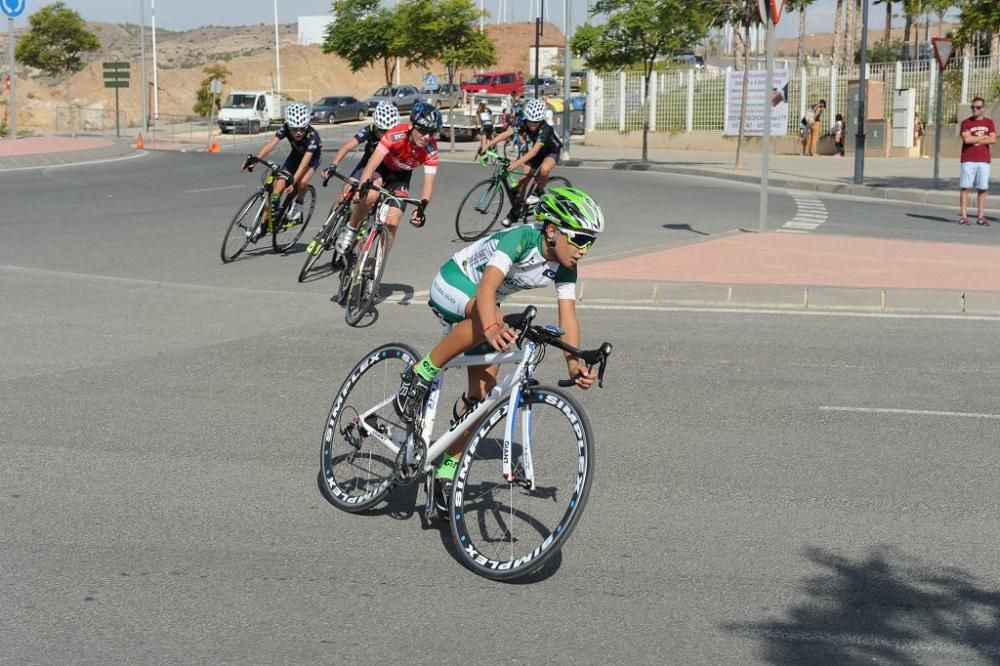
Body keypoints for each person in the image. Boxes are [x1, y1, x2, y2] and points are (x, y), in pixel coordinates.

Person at [393, 187, 605, 501]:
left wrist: (574, 365)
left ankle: (447, 467)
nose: (584, 249)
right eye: (579, 239)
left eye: (591, 241)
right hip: (455, 282)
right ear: (551, 230)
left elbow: (568, 318)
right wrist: (492, 326)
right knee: (492, 320)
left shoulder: (566, 267)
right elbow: (488, 286)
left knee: (482, 396)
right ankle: (420, 372)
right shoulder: (520, 239)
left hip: (485, 305)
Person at [333, 101, 441, 256]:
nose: (427, 137)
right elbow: (371, 164)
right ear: (411, 125)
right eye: (423, 131)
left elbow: (428, 184)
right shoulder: (395, 135)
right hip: (381, 169)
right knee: (371, 195)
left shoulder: (431, 150)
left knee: (393, 221)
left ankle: (378, 260)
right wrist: (363, 186)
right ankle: (351, 228)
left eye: (432, 133)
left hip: (401, 177)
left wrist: (421, 209)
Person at [479, 97, 563, 226]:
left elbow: (533, 152)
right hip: (538, 151)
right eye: (530, 121)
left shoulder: (546, 129)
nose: (532, 125)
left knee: (545, 169)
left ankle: (539, 191)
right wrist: (486, 146)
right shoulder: (524, 123)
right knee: (522, 183)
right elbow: (505, 135)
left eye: (535, 122)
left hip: (552, 151)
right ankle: (514, 213)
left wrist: (516, 163)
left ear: (541, 120)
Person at [243, 102, 321, 227]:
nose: (298, 133)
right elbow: (270, 145)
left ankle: (298, 205)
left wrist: (293, 182)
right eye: (295, 129)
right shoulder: (285, 128)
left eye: (302, 128)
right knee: (277, 189)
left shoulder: (313, 138)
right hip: (295, 156)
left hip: (310, 160)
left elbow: (303, 165)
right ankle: (263, 224)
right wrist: (256, 160)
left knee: (302, 183)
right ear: (289, 126)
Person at [322, 101, 400, 205]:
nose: (385, 135)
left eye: (388, 131)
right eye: (382, 130)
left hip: (384, 168)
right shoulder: (369, 130)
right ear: (376, 126)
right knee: (346, 190)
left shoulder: (398, 137)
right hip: (367, 162)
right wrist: (333, 164)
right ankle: (335, 215)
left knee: (370, 195)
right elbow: (347, 147)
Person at [958, 97, 996, 226]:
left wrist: (975, 138)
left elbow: (993, 140)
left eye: (978, 107)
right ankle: (964, 216)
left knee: (982, 188)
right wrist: (984, 136)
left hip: (983, 160)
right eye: (973, 107)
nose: (975, 109)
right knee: (965, 187)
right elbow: (967, 140)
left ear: (983, 108)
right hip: (968, 159)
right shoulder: (966, 123)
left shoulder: (989, 122)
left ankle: (981, 216)